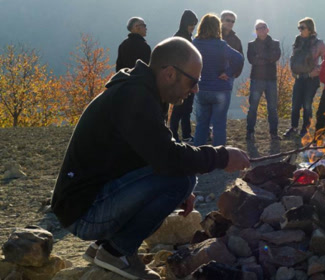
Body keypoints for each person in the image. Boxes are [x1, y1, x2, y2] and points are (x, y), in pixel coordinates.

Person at [51, 37, 250, 280]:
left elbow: (150, 152)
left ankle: (104, 246)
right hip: (84, 212)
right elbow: (168, 158)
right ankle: (116, 251)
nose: (196, 89)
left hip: (86, 202)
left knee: (179, 178)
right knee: (182, 179)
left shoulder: (144, 92)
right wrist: (221, 156)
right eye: (193, 81)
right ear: (169, 74)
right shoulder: (135, 98)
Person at [192, 14, 244, 146]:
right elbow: (239, 58)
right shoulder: (221, 45)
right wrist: (228, 73)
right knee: (219, 125)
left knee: (201, 125)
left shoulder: (195, 43)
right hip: (220, 89)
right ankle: (219, 157)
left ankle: (198, 156)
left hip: (201, 88)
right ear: (217, 27)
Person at [284, 17, 325, 138]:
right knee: (295, 104)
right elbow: (293, 57)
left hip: (311, 79)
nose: (300, 30)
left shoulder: (319, 44)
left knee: (307, 104)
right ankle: (294, 127)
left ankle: (305, 129)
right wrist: (292, 69)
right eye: (299, 28)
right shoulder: (298, 41)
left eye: (302, 28)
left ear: (310, 29)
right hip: (299, 77)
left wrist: (316, 71)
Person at [246, 20, 281, 141]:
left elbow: (275, 57)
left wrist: (260, 56)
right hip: (256, 79)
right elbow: (252, 60)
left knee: (272, 107)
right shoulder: (251, 45)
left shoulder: (275, 43)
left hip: (271, 79)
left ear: (267, 29)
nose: (261, 29)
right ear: (256, 31)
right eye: (258, 28)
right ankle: (250, 132)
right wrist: (267, 58)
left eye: (263, 27)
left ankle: (274, 133)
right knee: (253, 107)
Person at [170, 10, 199, 143]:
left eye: (194, 24)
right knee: (180, 108)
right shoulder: (181, 38)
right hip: (182, 79)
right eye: (190, 23)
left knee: (186, 108)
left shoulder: (185, 36)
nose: (193, 26)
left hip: (187, 78)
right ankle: (175, 135)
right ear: (185, 23)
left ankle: (184, 135)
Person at [220, 10, 244, 78]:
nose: (230, 23)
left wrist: (235, 74)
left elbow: (241, 59)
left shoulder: (236, 40)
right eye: (228, 20)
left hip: (228, 77)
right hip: (211, 75)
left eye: (233, 21)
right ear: (221, 20)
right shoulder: (213, 36)